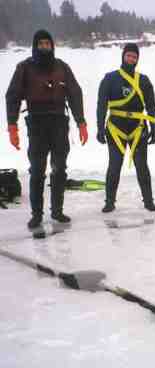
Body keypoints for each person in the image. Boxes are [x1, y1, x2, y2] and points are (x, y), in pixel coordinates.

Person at [6, 29, 88, 229]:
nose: (44, 47)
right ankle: (36, 214)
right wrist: (12, 125)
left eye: (47, 44)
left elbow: (75, 94)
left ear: (52, 46)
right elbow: (13, 96)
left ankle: (57, 211)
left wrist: (81, 122)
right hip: (37, 124)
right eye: (40, 44)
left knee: (59, 169)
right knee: (37, 171)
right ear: (35, 46)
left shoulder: (62, 67)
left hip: (59, 123)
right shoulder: (24, 68)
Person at [96, 43, 155, 212]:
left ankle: (148, 201)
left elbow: (151, 106)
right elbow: (101, 105)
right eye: (129, 56)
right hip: (116, 129)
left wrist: (154, 127)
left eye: (134, 57)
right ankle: (109, 202)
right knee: (114, 166)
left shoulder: (144, 81)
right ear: (123, 56)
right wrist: (100, 128)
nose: (131, 59)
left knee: (142, 166)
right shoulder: (110, 79)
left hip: (138, 129)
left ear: (137, 59)